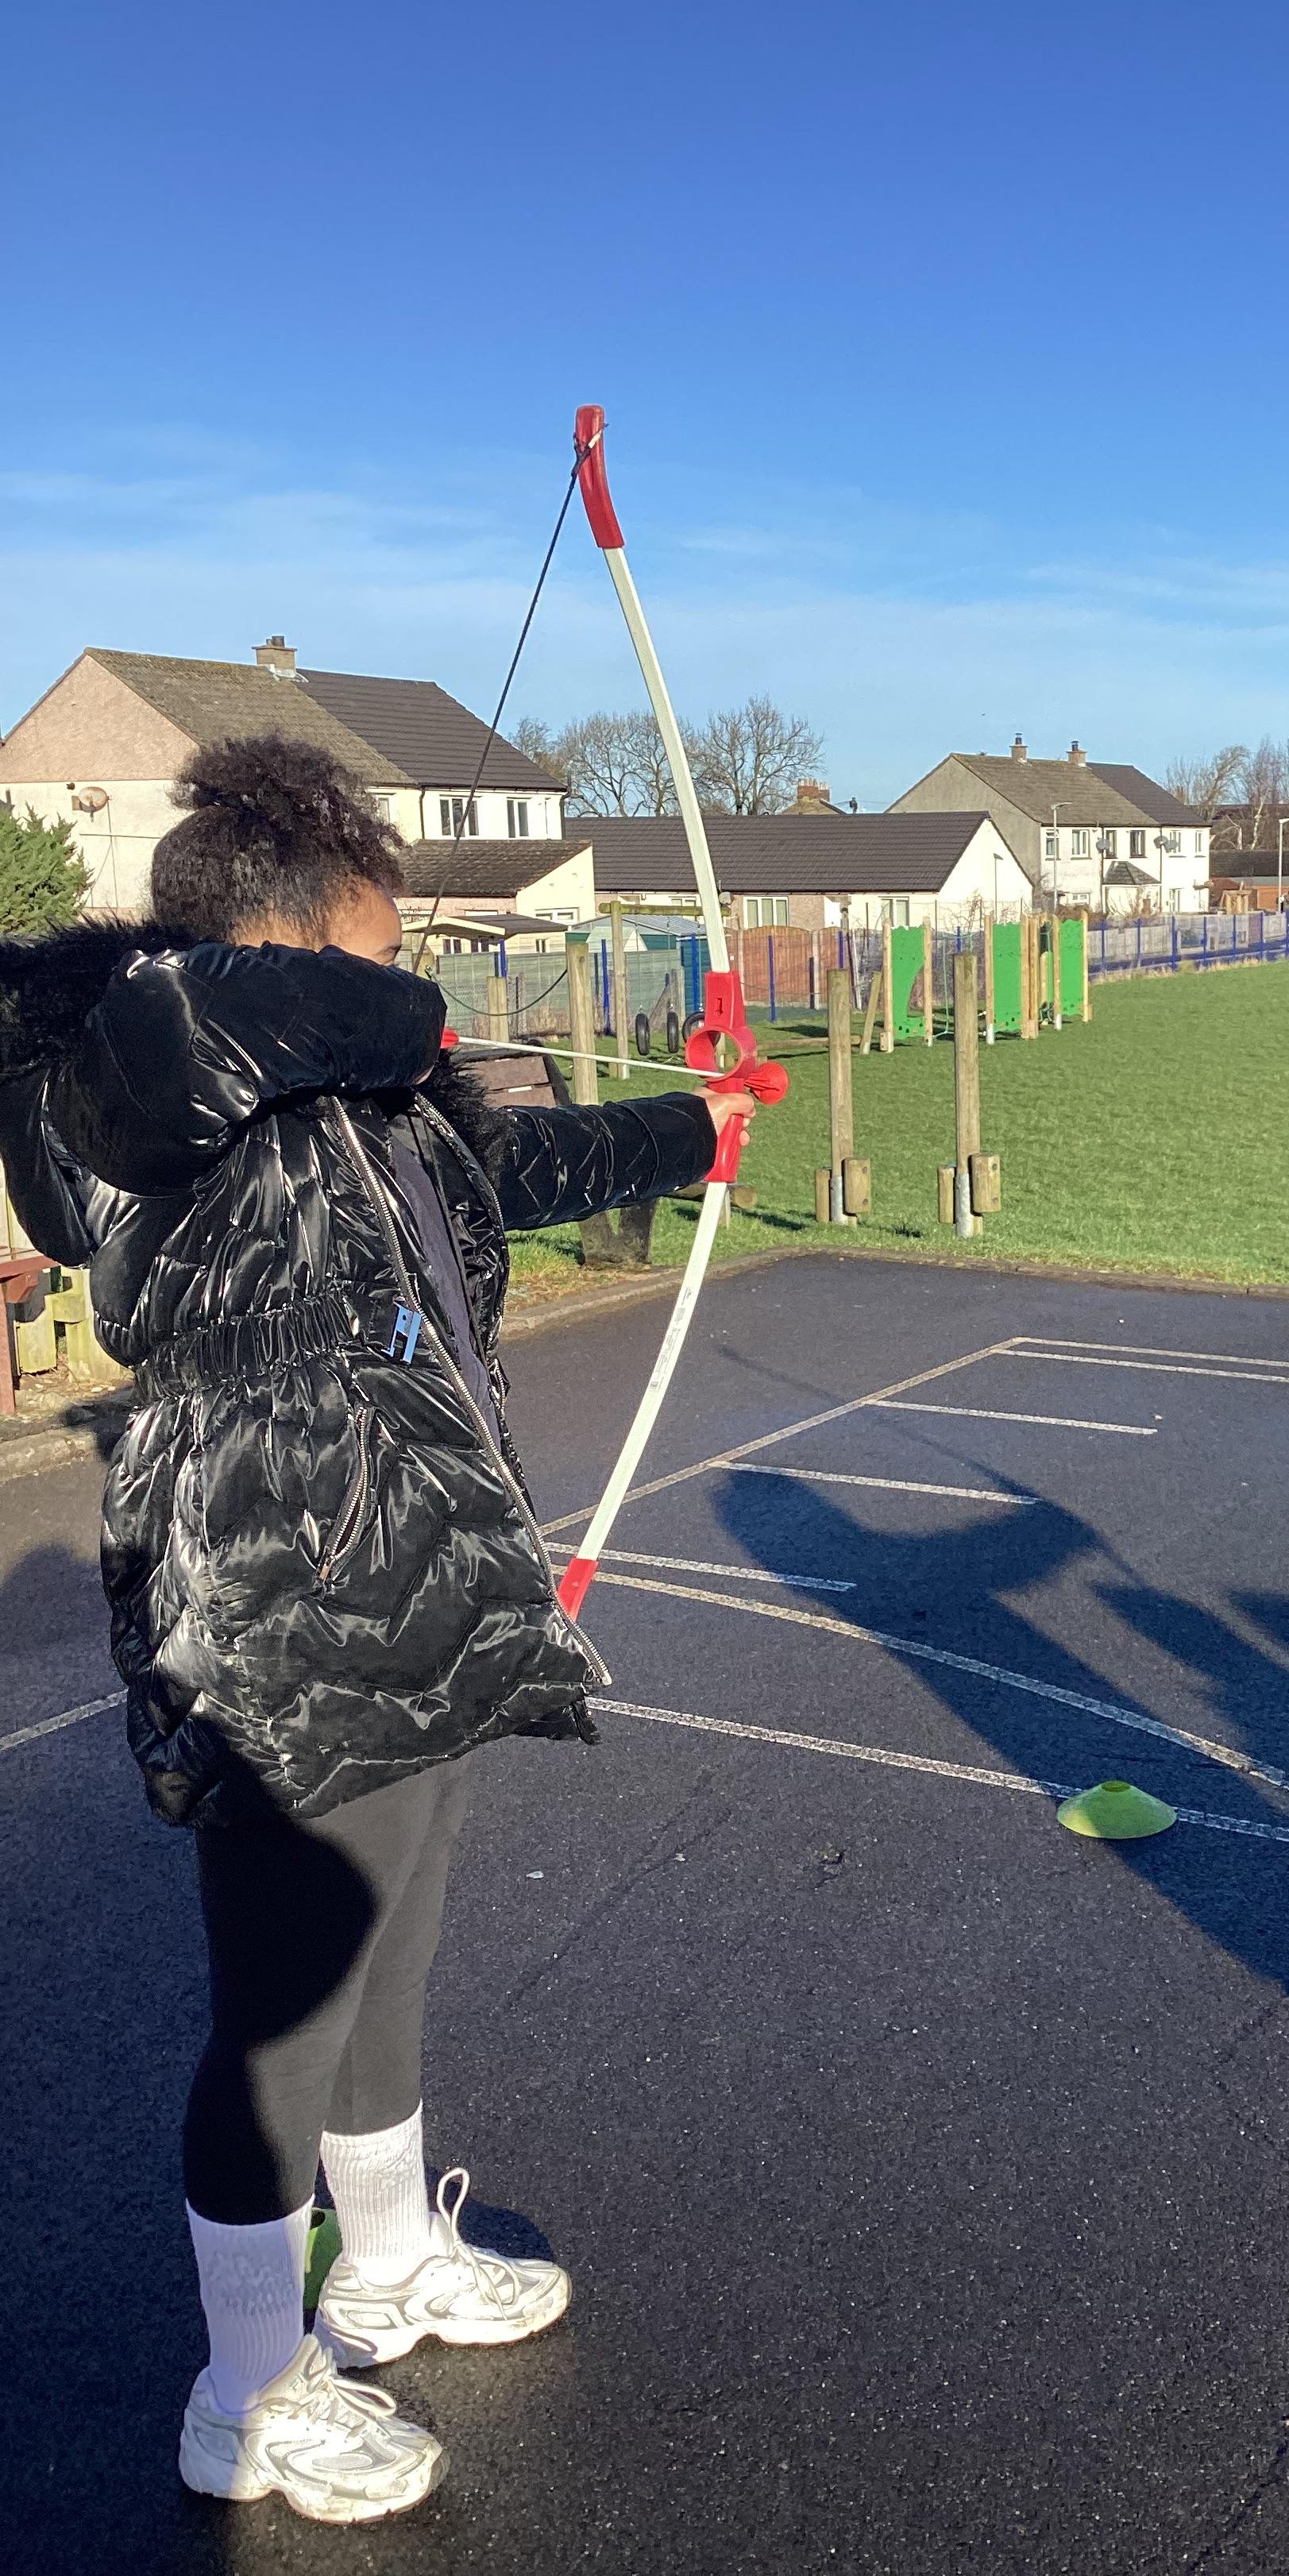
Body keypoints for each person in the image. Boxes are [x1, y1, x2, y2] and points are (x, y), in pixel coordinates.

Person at [0, 735, 754, 2525]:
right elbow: (210, 1034)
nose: (406, 978)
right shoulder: (141, 1070)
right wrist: (388, 1004)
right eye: (378, 939)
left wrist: (699, 1124)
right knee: (282, 2009)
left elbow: (511, 1163)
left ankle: (392, 2260)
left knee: (387, 1944)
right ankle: (246, 2396)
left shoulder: (356, 1096)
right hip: (272, 1595)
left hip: (418, 1570)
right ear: (280, 939)